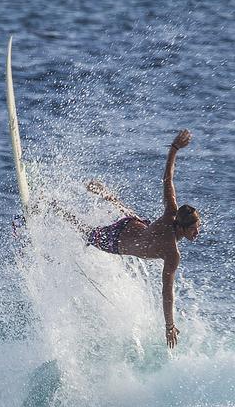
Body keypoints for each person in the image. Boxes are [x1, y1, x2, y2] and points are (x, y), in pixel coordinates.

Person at [53, 129, 200, 348]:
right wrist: (169, 325)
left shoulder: (172, 211)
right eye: (194, 230)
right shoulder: (172, 252)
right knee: (87, 233)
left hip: (136, 224)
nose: (197, 233)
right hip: (118, 241)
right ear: (183, 227)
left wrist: (174, 148)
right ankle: (55, 209)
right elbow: (166, 291)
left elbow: (168, 178)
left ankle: (108, 196)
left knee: (137, 218)